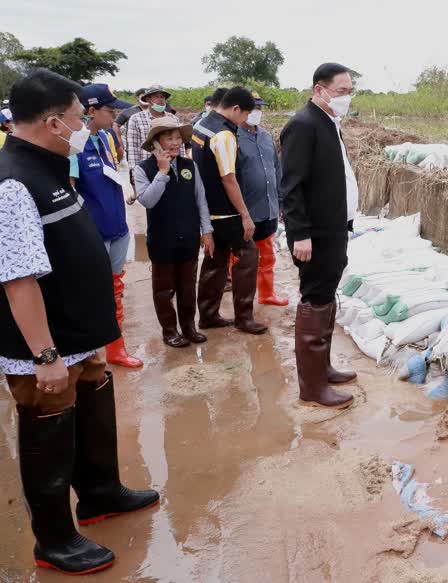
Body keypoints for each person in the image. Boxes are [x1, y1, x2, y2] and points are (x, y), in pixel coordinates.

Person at [0, 69, 159, 576]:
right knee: (47, 427)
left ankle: (100, 492)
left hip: (80, 334)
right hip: (47, 345)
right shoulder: (12, 183)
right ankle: (55, 540)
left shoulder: (50, 166)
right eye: (76, 117)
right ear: (52, 122)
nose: (83, 123)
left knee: (92, 399)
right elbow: (18, 280)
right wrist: (44, 355)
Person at [280, 63, 359, 409]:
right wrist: (300, 234)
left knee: (326, 296)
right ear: (319, 89)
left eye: (349, 91)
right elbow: (292, 187)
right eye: (342, 91)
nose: (347, 97)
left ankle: (322, 367)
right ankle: (312, 387)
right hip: (314, 234)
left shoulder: (329, 123)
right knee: (314, 299)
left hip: (334, 228)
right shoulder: (303, 125)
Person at [69, 84, 143, 368]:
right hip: (93, 231)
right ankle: (87, 352)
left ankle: (116, 348)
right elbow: (71, 189)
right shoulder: (74, 145)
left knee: (115, 289)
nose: (115, 115)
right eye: (110, 110)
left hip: (117, 226)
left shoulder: (105, 139)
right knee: (90, 293)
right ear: (91, 111)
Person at [193, 86, 267, 335]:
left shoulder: (203, 125)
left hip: (207, 208)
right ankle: (244, 318)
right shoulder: (223, 135)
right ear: (236, 109)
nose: (245, 120)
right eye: (245, 114)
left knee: (216, 260)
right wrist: (245, 214)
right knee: (248, 255)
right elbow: (229, 179)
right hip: (225, 211)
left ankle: (208, 314)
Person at [134, 117, 214, 347]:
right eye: (169, 138)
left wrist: (206, 231)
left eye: (178, 137)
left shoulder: (190, 166)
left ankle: (189, 327)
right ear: (155, 143)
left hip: (188, 237)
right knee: (164, 289)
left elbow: (201, 200)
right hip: (162, 239)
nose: (175, 142)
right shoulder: (142, 169)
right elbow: (147, 201)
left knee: (188, 286)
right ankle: (170, 331)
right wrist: (162, 172)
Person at [235, 91, 288, 306]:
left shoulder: (266, 137)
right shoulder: (234, 137)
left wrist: (280, 202)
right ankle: (243, 301)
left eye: (259, 108)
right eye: (252, 108)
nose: (256, 112)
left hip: (268, 208)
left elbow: (276, 170)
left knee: (267, 256)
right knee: (242, 260)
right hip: (246, 211)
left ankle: (266, 294)